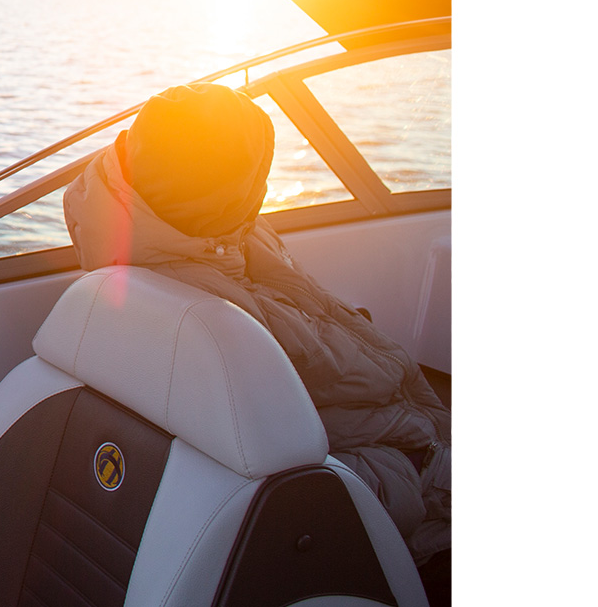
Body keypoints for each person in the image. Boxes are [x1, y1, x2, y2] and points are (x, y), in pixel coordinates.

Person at [62, 83, 450, 571]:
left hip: (374, 433)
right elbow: (344, 384)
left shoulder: (205, 239)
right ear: (227, 191)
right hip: (384, 461)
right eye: (253, 176)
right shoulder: (216, 312)